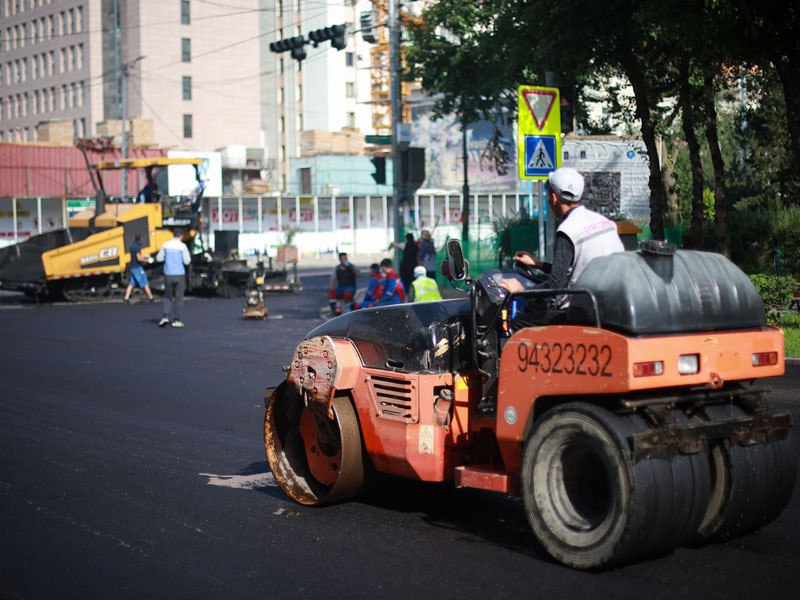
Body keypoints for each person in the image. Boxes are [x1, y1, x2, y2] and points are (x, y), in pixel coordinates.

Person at [500, 167, 624, 328]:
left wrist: (521, 291)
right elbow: (576, 267)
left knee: (518, 322)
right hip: (614, 305)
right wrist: (538, 264)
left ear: (553, 197)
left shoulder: (568, 230)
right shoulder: (603, 222)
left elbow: (556, 285)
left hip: (585, 312)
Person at [156, 228, 192, 328]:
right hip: (179, 274)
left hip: (168, 274)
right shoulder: (182, 246)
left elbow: (159, 258)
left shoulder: (165, 245)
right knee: (179, 298)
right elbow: (187, 261)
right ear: (181, 236)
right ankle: (177, 320)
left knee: (168, 296)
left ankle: (165, 316)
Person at [123, 234, 154, 303]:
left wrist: (144, 257)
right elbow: (139, 258)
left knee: (131, 283)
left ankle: (126, 298)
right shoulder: (137, 247)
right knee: (145, 283)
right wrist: (147, 260)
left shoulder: (132, 246)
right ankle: (151, 297)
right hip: (137, 268)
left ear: (134, 238)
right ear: (140, 239)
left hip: (132, 267)